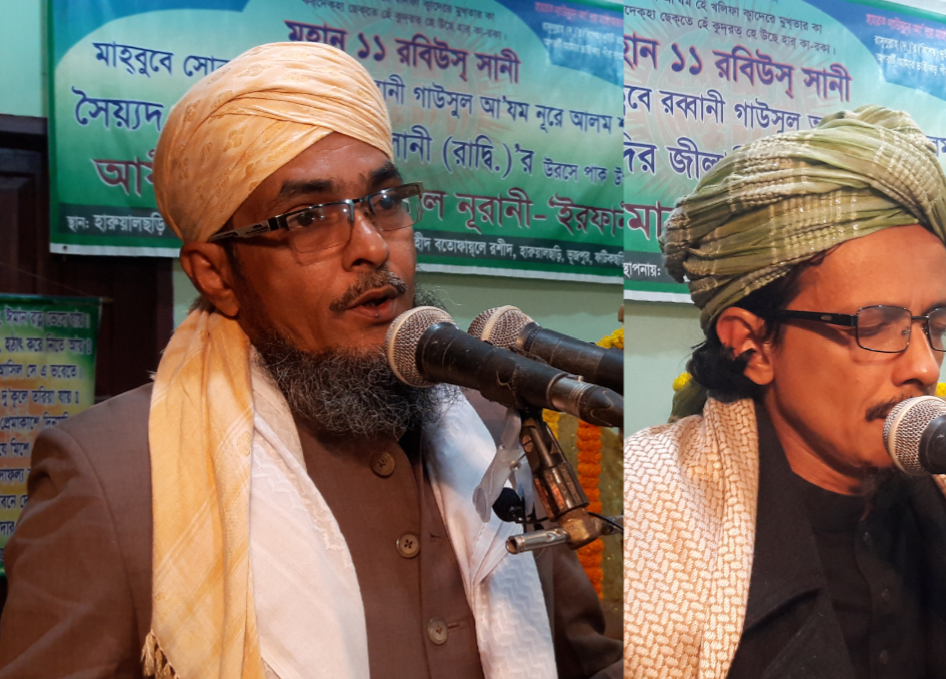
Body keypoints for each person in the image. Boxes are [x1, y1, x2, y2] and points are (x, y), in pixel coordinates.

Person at [0, 42, 617, 677]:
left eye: (385, 201)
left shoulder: (492, 424)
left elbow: (581, 659)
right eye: (308, 218)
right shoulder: (114, 474)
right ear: (216, 274)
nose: (372, 247)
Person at [623, 106, 946, 678]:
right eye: (875, 326)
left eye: (937, 325)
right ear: (752, 345)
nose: (924, 366)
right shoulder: (652, 516)